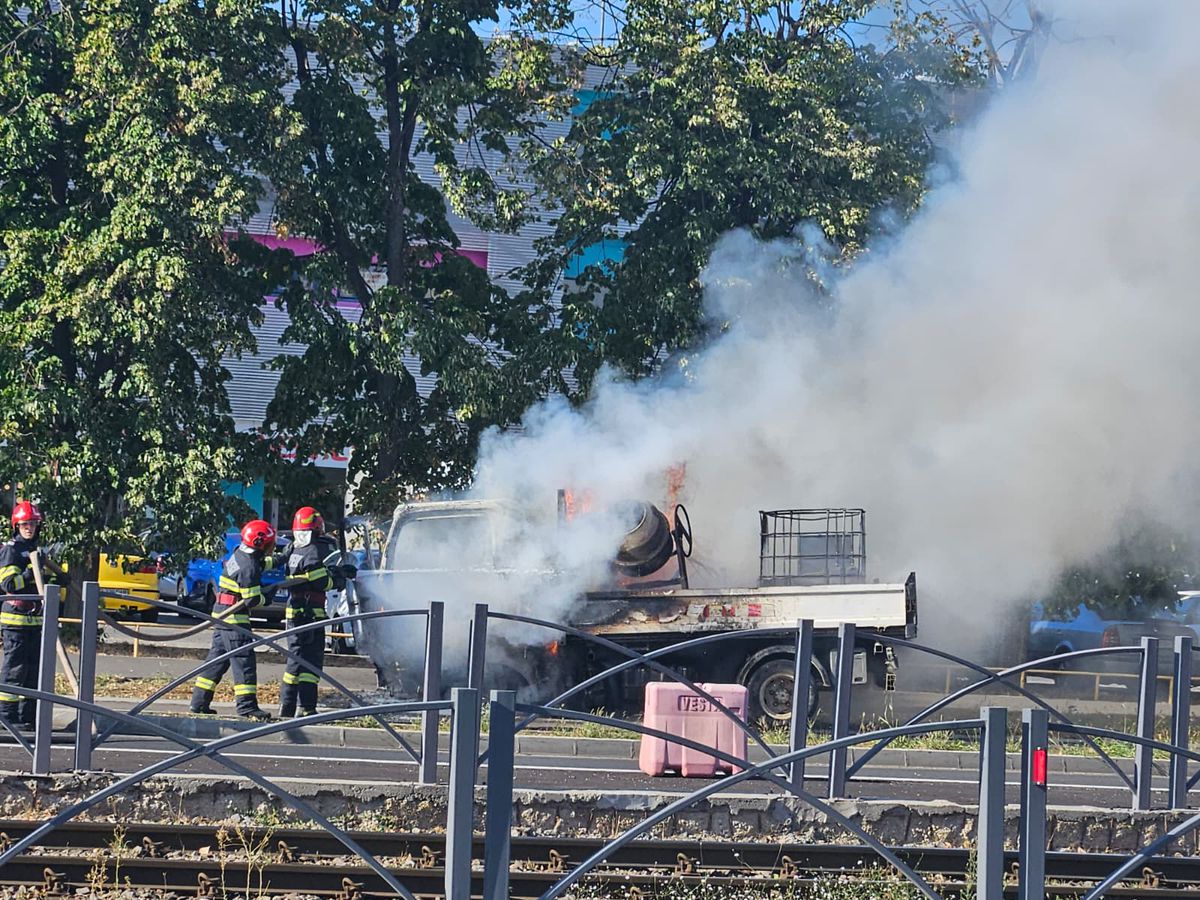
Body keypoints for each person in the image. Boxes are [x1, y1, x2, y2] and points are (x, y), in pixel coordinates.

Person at [189, 519, 277, 721]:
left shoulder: (240, 553)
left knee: (216, 661)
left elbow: (263, 562)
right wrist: (269, 595)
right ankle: (247, 707)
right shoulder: (249, 567)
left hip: (222, 614)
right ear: (260, 543)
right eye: (270, 544)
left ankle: (199, 702)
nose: (272, 547)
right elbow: (253, 600)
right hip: (234, 618)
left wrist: (285, 557)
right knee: (244, 661)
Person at [278, 506, 351, 718]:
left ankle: (288, 706)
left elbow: (307, 575)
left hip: (295, 613)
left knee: (295, 661)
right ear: (318, 528)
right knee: (311, 662)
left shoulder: (293, 548)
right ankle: (307, 707)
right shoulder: (312, 551)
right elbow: (322, 582)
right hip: (310, 615)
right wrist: (337, 578)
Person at [0, 502, 49, 728]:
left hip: (36, 621)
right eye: (25, 524)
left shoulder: (36, 550)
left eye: (33, 524)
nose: (29, 528)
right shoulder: (11, 550)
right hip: (15, 622)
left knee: (33, 673)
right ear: (16, 525)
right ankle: (5, 717)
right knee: (14, 671)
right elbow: (8, 583)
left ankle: (27, 718)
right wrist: (30, 573)